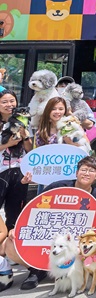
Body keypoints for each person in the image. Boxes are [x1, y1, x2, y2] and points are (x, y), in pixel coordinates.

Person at [11, 155, 96, 290]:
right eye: (84, 170)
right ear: (76, 172)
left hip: (76, 243)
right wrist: (17, 227)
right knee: (9, 244)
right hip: (48, 236)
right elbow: (34, 208)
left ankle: (72, 271)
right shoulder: (58, 187)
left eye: (91, 171)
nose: (86, 173)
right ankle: (37, 270)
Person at [0, 90, 33, 229]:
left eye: (12, 101)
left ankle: (10, 237)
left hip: (19, 172)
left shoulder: (24, 120)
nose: (9, 104)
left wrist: (25, 136)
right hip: (1, 171)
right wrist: (8, 144)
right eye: (4, 102)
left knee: (15, 211)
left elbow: (29, 149)